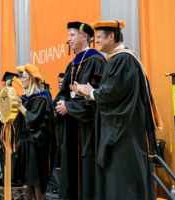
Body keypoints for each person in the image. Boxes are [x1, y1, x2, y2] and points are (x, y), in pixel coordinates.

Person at [73, 20, 163, 200]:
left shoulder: (124, 59)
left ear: (111, 36)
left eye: (98, 37)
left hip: (124, 137)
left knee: (122, 185)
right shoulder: (117, 59)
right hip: (123, 135)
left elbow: (114, 93)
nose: (95, 41)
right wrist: (89, 93)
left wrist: (93, 93)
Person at [54, 21, 106, 200]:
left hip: (87, 130)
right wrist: (61, 104)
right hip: (71, 125)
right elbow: (62, 93)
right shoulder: (72, 65)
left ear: (85, 36)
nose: (68, 39)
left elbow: (97, 99)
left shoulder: (97, 61)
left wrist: (70, 107)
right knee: (70, 174)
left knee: (86, 175)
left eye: (72, 35)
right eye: (68, 36)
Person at [14, 64, 57, 200]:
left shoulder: (42, 98)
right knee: (27, 177)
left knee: (37, 177)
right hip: (27, 143)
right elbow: (20, 122)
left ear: (32, 79)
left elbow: (36, 120)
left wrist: (21, 108)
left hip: (38, 144)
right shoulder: (27, 97)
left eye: (24, 77)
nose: (21, 80)